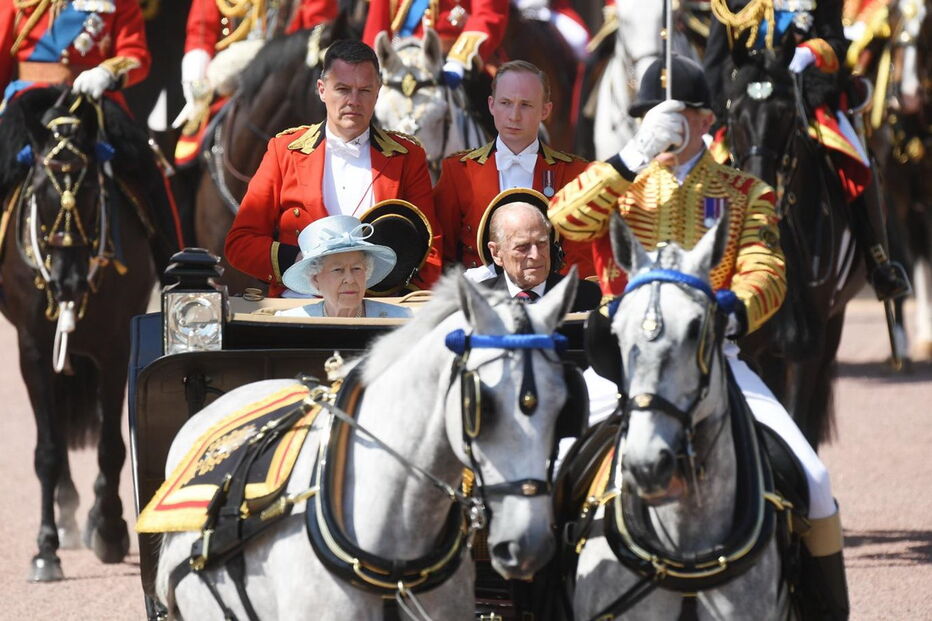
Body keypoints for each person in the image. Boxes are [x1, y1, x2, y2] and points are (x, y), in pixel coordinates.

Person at [549, 55, 849, 619]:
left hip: (712, 354)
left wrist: (732, 309)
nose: (664, 123)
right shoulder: (621, 181)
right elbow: (562, 222)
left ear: (706, 119)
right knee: (550, 467)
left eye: (679, 113)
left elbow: (766, 269)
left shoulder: (744, 191)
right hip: (625, 360)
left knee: (813, 477)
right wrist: (633, 155)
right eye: (651, 114)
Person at [703, 0, 910, 301]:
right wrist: (718, 115)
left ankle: (876, 257)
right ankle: (702, 258)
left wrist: (812, 53)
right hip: (744, 101)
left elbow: (836, 43)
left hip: (804, 95)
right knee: (707, 171)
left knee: (854, 159)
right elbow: (714, 61)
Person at [224, 39, 442, 297]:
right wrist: (299, 263)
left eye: (364, 90)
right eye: (342, 89)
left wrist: (405, 299)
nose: (353, 101)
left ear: (378, 91)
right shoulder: (284, 151)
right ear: (322, 90)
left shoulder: (407, 155)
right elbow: (241, 243)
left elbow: (431, 248)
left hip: (380, 307)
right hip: (299, 302)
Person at [0, 0, 184, 272]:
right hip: (29, 100)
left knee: (147, 168)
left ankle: (174, 269)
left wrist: (107, 72)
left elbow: (136, 55)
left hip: (92, 97)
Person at [433, 59, 595, 276]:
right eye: (506, 103)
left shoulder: (575, 174)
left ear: (545, 110)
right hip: (479, 292)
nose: (514, 116)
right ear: (491, 105)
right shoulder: (459, 171)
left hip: (551, 293)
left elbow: (582, 259)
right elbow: (442, 253)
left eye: (526, 105)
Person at [174, 0, 338, 162]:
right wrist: (197, 79)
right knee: (187, 151)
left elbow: (318, 28)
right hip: (227, 80)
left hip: (286, 73)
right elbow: (201, 31)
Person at [477, 191, 601, 311]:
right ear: (496, 253)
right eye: (522, 247)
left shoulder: (589, 297)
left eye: (542, 244)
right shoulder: (474, 301)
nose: (535, 255)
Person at [277, 215, 412, 318]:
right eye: (338, 270)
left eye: (356, 268)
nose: (350, 279)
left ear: (367, 272)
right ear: (315, 279)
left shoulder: (400, 320)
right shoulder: (292, 323)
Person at [362, 0, 508, 89]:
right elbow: (378, 21)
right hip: (399, 60)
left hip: (457, 59)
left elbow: (488, 14)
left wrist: (458, 61)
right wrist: (371, 65)